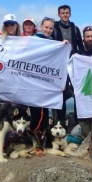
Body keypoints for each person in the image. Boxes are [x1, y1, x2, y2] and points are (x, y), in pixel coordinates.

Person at [31, 17, 69, 147]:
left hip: (46, 81)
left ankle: (43, 138)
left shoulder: (53, 42)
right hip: (34, 80)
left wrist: (62, 46)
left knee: (45, 111)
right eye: (46, 27)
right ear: (41, 27)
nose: (48, 30)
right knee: (36, 111)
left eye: (51, 28)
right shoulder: (34, 39)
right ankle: (34, 139)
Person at [52, 5, 84, 129]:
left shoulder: (75, 29)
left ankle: (77, 123)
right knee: (61, 93)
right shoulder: (54, 27)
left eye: (67, 13)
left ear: (70, 14)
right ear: (59, 14)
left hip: (73, 65)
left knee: (77, 93)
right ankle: (60, 123)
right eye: (62, 13)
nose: (65, 14)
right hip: (59, 65)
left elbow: (81, 47)